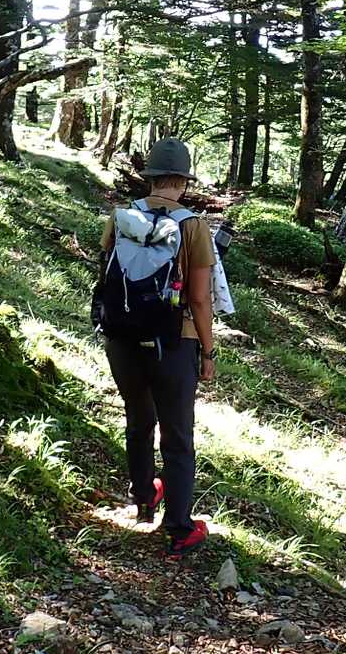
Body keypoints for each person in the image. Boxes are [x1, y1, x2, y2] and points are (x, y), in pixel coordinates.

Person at [99, 137, 217, 559]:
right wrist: (208, 351)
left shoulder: (121, 217)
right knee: (178, 435)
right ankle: (180, 529)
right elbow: (199, 299)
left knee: (138, 418)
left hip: (122, 336)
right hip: (174, 342)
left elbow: (109, 273)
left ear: (150, 178)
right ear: (182, 182)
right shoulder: (192, 226)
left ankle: (145, 500)